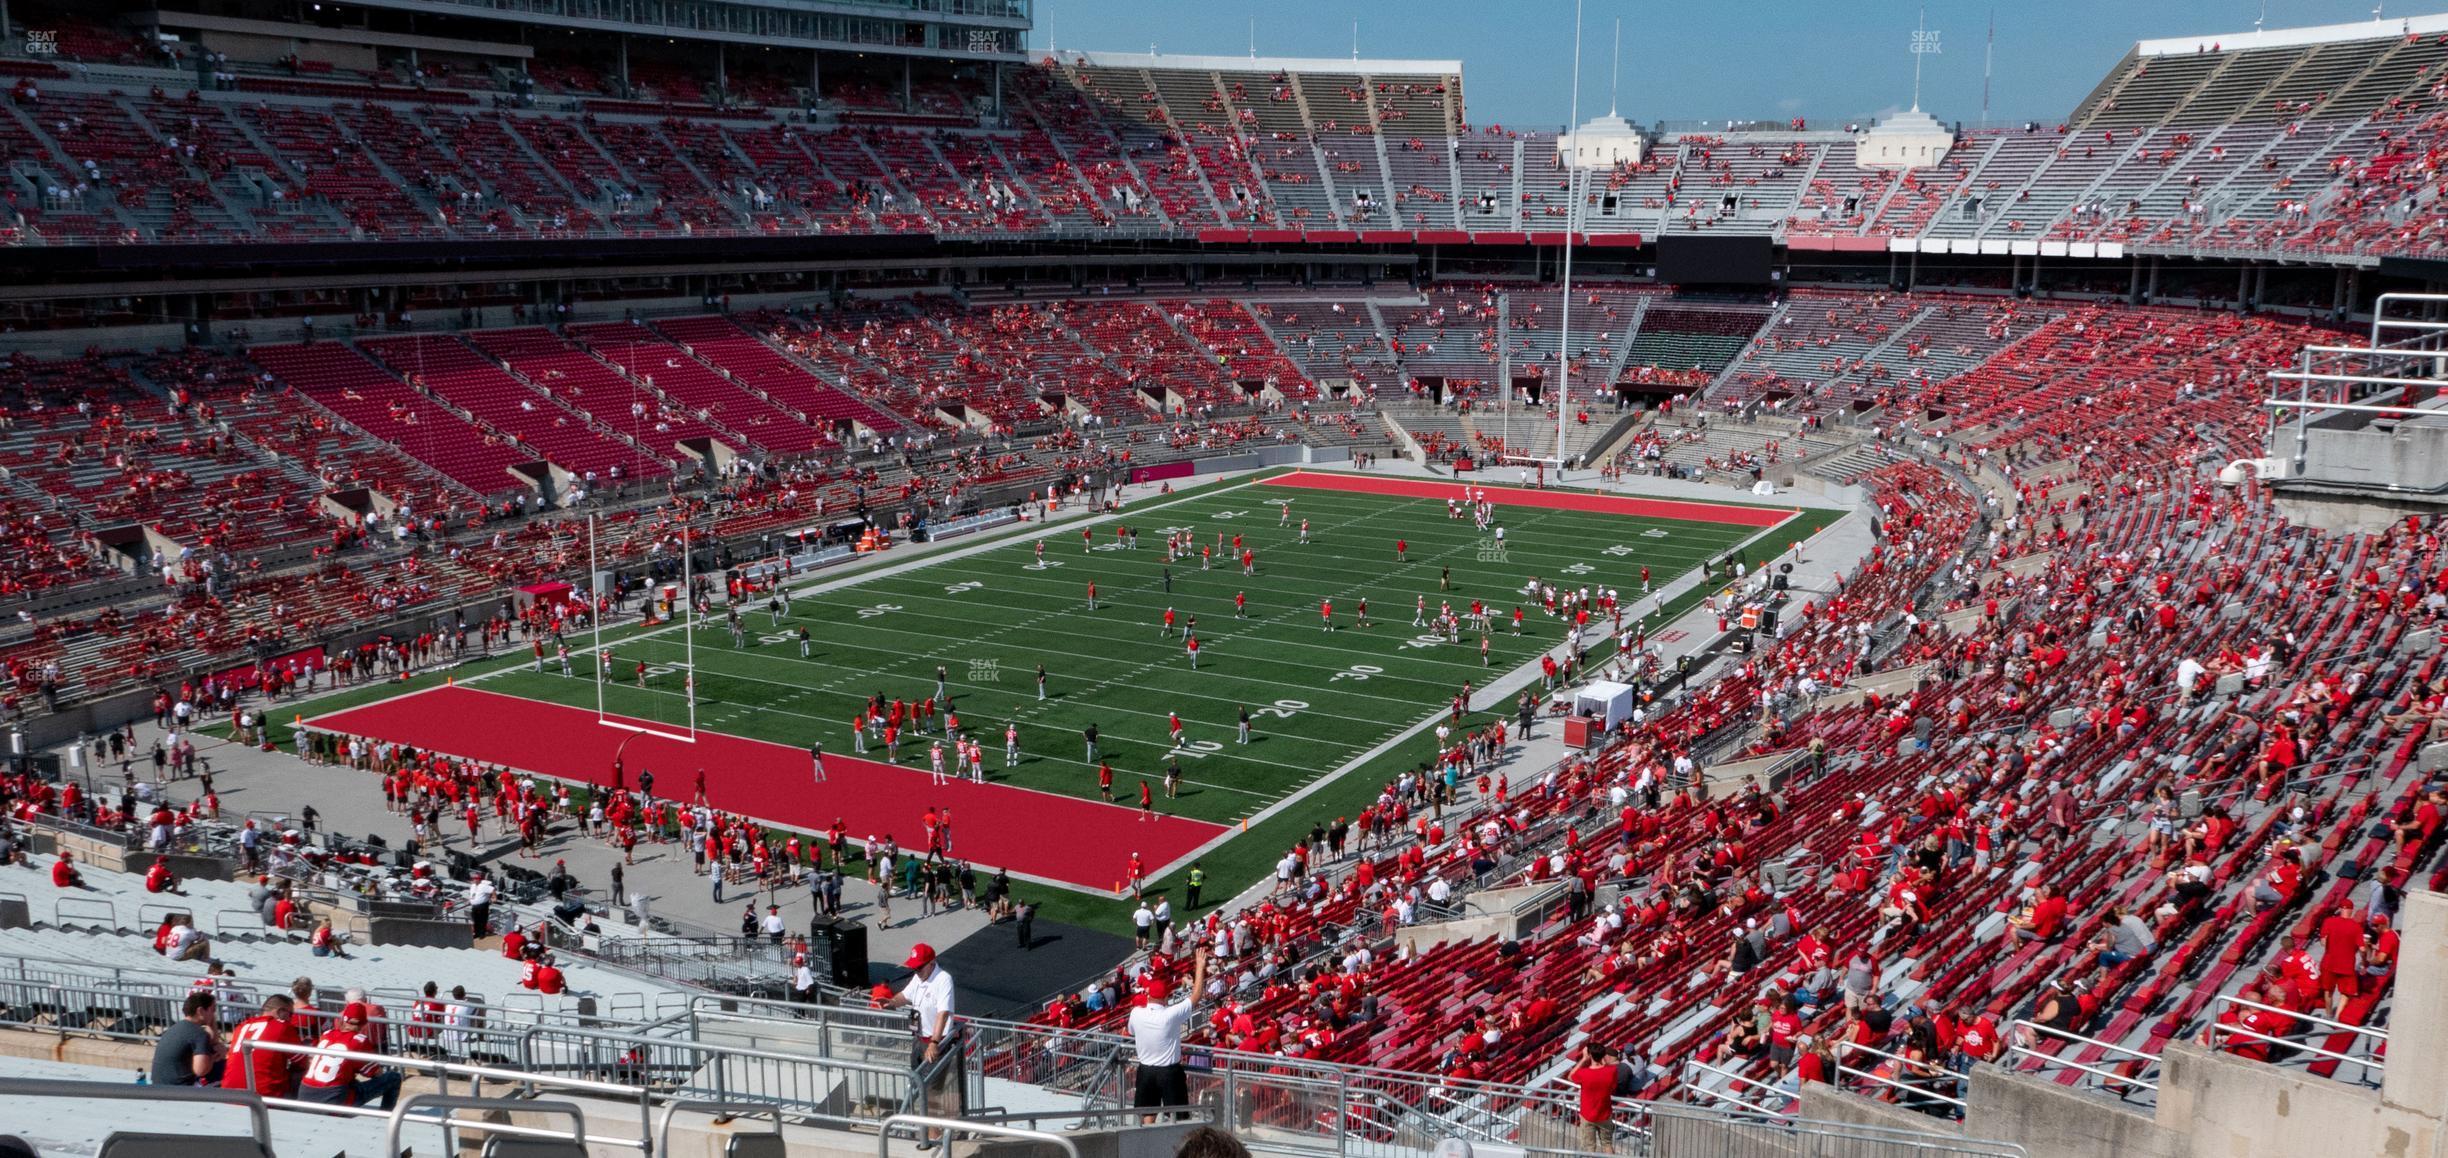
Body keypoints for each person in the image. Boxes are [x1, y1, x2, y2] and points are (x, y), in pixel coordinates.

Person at [881, 943, 960, 1150]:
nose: (915, 971)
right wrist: (890, 1001)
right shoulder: (919, 977)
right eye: (914, 967)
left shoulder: (943, 979)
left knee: (931, 1091)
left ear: (931, 963)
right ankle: (930, 1130)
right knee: (919, 1085)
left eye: (919, 967)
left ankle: (933, 1137)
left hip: (934, 1043)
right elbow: (904, 996)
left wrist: (934, 1043)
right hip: (919, 1039)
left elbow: (943, 1013)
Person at [1129, 947, 1209, 1121]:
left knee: (1147, 1116)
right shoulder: (1169, 1014)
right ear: (1166, 998)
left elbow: (1130, 1031)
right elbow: (1196, 996)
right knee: (1178, 1118)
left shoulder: (1136, 1013)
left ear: (1148, 996)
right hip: (1169, 1072)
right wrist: (1200, 967)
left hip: (1146, 1070)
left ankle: (1148, 1145)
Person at [300, 1002, 401, 1109]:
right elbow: (375, 1073)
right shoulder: (360, 1041)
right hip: (333, 1100)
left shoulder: (326, 1035)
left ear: (343, 1020)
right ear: (364, 1023)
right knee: (393, 1078)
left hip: (305, 1094)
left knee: (351, 1081)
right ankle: (386, 1116)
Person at [224, 994, 305, 1098]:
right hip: (264, 1093)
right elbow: (303, 1062)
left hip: (229, 1090)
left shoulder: (241, 1027)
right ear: (280, 1012)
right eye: (291, 1014)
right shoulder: (282, 1027)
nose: (291, 1018)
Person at [152, 990, 225, 1086]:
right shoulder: (199, 1034)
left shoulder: (175, 1028)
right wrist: (213, 1058)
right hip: (181, 1089)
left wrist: (211, 1022)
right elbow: (200, 1070)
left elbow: (214, 1044)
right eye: (213, 1010)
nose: (214, 1014)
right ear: (200, 1011)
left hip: (159, 1085)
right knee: (224, 1068)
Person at [1565, 1040, 1619, 1152]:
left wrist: (1584, 1059)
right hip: (1605, 1114)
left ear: (1590, 1055)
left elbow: (1570, 1076)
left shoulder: (1584, 1073)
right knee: (1607, 1144)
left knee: (1589, 1148)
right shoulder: (1612, 1071)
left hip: (1587, 1115)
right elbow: (1613, 1087)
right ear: (1603, 1055)